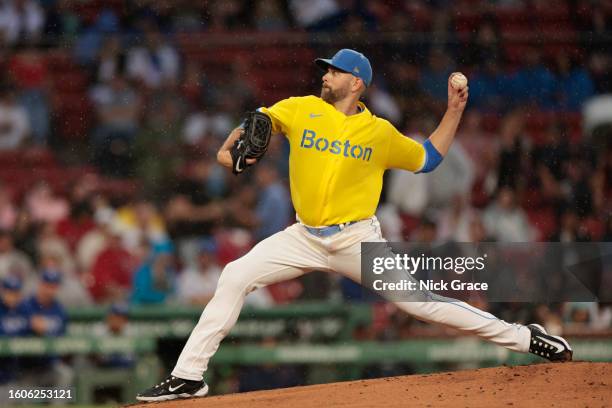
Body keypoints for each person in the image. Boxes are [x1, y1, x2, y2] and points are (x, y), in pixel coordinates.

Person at [136, 48, 573, 402]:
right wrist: (235, 144)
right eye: (325, 70)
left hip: (356, 239)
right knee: (234, 275)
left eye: (335, 71)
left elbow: (428, 159)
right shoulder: (301, 109)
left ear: (357, 81)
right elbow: (251, 130)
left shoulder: (379, 133)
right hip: (302, 236)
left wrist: (454, 110)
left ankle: (523, 337)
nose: (325, 76)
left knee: (419, 304)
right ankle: (188, 376)